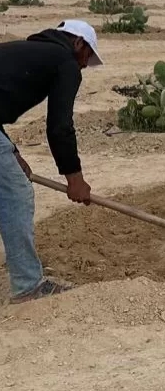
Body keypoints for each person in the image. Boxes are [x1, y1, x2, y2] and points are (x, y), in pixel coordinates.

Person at [0, 20, 101, 304]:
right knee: (16, 195)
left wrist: (12, 151)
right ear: (78, 43)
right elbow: (59, 126)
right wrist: (74, 178)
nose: (84, 65)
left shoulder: (29, 51)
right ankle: (28, 287)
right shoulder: (65, 61)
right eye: (87, 56)